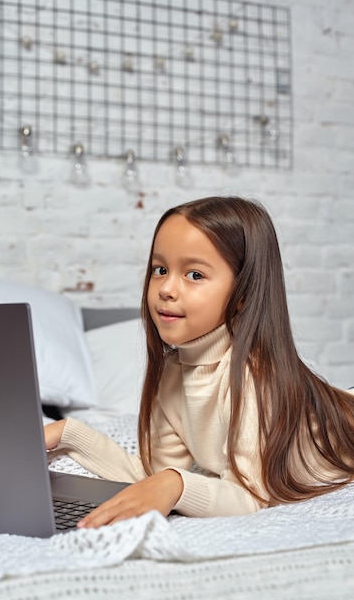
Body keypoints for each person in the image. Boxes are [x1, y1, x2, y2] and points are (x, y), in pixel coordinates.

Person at [45, 196, 354, 528]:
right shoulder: (173, 375)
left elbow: (251, 497)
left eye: (194, 274)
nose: (166, 289)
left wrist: (177, 484)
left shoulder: (254, 377)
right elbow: (152, 478)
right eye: (160, 270)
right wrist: (70, 434)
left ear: (244, 295)